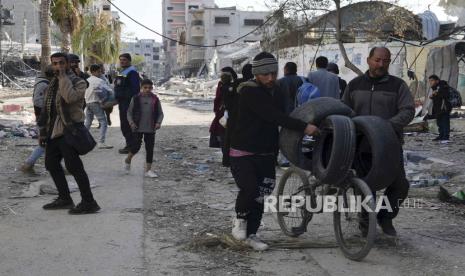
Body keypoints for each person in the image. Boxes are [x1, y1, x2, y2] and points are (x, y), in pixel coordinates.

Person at [229, 52, 319, 250]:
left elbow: (285, 113)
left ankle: (252, 234)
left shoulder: (277, 90)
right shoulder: (249, 91)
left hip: (267, 152)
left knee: (263, 193)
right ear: (256, 74)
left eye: (273, 73)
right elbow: (273, 116)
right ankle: (240, 221)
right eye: (265, 75)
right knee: (250, 189)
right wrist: (303, 127)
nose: (270, 78)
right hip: (243, 151)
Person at [342, 46, 415, 236]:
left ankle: (385, 217)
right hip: (362, 146)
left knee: (400, 185)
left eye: (385, 61)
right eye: (377, 60)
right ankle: (366, 222)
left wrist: (386, 126)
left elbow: (408, 110)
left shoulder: (398, 85)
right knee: (366, 186)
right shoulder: (354, 84)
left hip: (389, 145)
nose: (381, 64)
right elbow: (344, 110)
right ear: (368, 60)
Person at [38, 52, 100, 214]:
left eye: (61, 63)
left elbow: (70, 98)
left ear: (68, 64)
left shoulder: (79, 82)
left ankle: (89, 202)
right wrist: (42, 131)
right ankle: (64, 198)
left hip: (69, 130)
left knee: (74, 167)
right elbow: (46, 109)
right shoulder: (52, 84)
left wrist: (63, 77)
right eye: (55, 63)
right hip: (53, 130)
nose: (58, 66)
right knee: (51, 164)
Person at [125, 79, 164, 178]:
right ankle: (128, 159)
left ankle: (148, 170)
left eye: (150, 88)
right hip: (137, 127)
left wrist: (158, 122)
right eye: (145, 87)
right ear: (141, 87)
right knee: (136, 147)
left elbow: (160, 113)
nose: (147, 90)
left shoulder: (155, 99)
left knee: (149, 149)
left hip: (151, 128)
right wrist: (131, 122)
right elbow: (129, 112)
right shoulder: (136, 98)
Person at [20, 65, 55, 172]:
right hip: (44, 119)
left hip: (45, 118)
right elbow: (38, 101)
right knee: (46, 143)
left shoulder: (45, 83)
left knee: (50, 143)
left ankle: (29, 164)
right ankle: (28, 164)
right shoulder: (44, 84)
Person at [114, 53, 140, 154]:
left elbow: (135, 90)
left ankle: (131, 147)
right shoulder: (123, 72)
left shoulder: (132, 72)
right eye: (120, 60)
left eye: (124, 60)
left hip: (128, 104)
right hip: (122, 103)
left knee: (127, 125)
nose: (122, 61)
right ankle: (130, 145)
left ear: (129, 61)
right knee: (124, 125)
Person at [84, 64, 113, 149]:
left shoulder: (87, 80)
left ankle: (83, 140)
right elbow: (110, 90)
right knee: (103, 122)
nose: (100, 73)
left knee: (88, 122)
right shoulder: (99, 81)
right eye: (99, 71)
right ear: (94, 72)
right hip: (95, 103)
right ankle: (101, 142)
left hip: (88, 102)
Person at [428, 74, 452, 143]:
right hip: (438, 108)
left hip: (444, 108)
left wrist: (436, 94)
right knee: (439, 122)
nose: (430, 82)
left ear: (437, 81)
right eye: (430, 81)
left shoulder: (443, 86)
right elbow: (437, 98)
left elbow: (445, 95)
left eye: (432, 80)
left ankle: (445, 137)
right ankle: (441, 135)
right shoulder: (435, 88)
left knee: (445, 122)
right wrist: (433, 96)